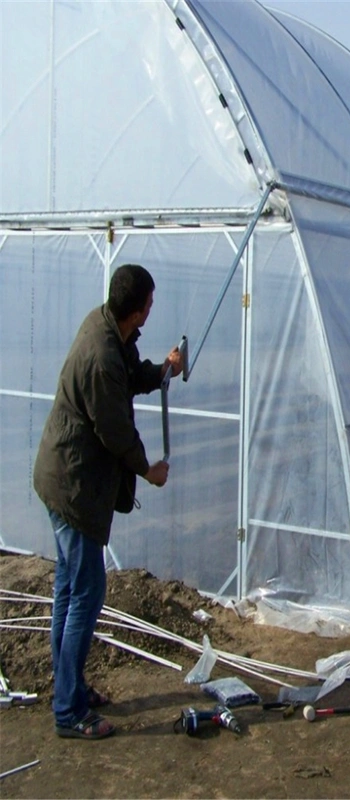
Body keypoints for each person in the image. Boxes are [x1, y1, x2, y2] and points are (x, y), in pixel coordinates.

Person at [33, 264, 183, 740]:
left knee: (69, 588)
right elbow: (116, 431)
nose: (152, 310)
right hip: (73, 487)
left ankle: (69, 687)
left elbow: (129, 375)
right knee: (88, 593)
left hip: (65, 478)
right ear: (137, 308)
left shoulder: (107, 328)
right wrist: (149, 470)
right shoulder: (101, 355)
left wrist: (163, 371)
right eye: (150, 304)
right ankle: (69, 712)